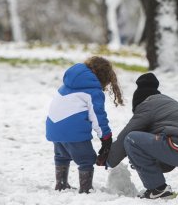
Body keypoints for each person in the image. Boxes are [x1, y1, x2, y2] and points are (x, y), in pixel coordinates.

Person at [107, 73, 178, 201]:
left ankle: (157, 189)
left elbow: (125, 137)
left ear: (139, 103)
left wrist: (107, 160)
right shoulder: (169, 105)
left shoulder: (146, 105)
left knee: (131, 139)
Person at [45, 56, 124, 194]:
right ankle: (85, 189)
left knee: (61, 155)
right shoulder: (92, 91)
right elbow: (98, 117)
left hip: (54, 128)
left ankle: (61, 184)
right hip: (73, 131)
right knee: (86, 158)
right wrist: (106, 138)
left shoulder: (67, 83)